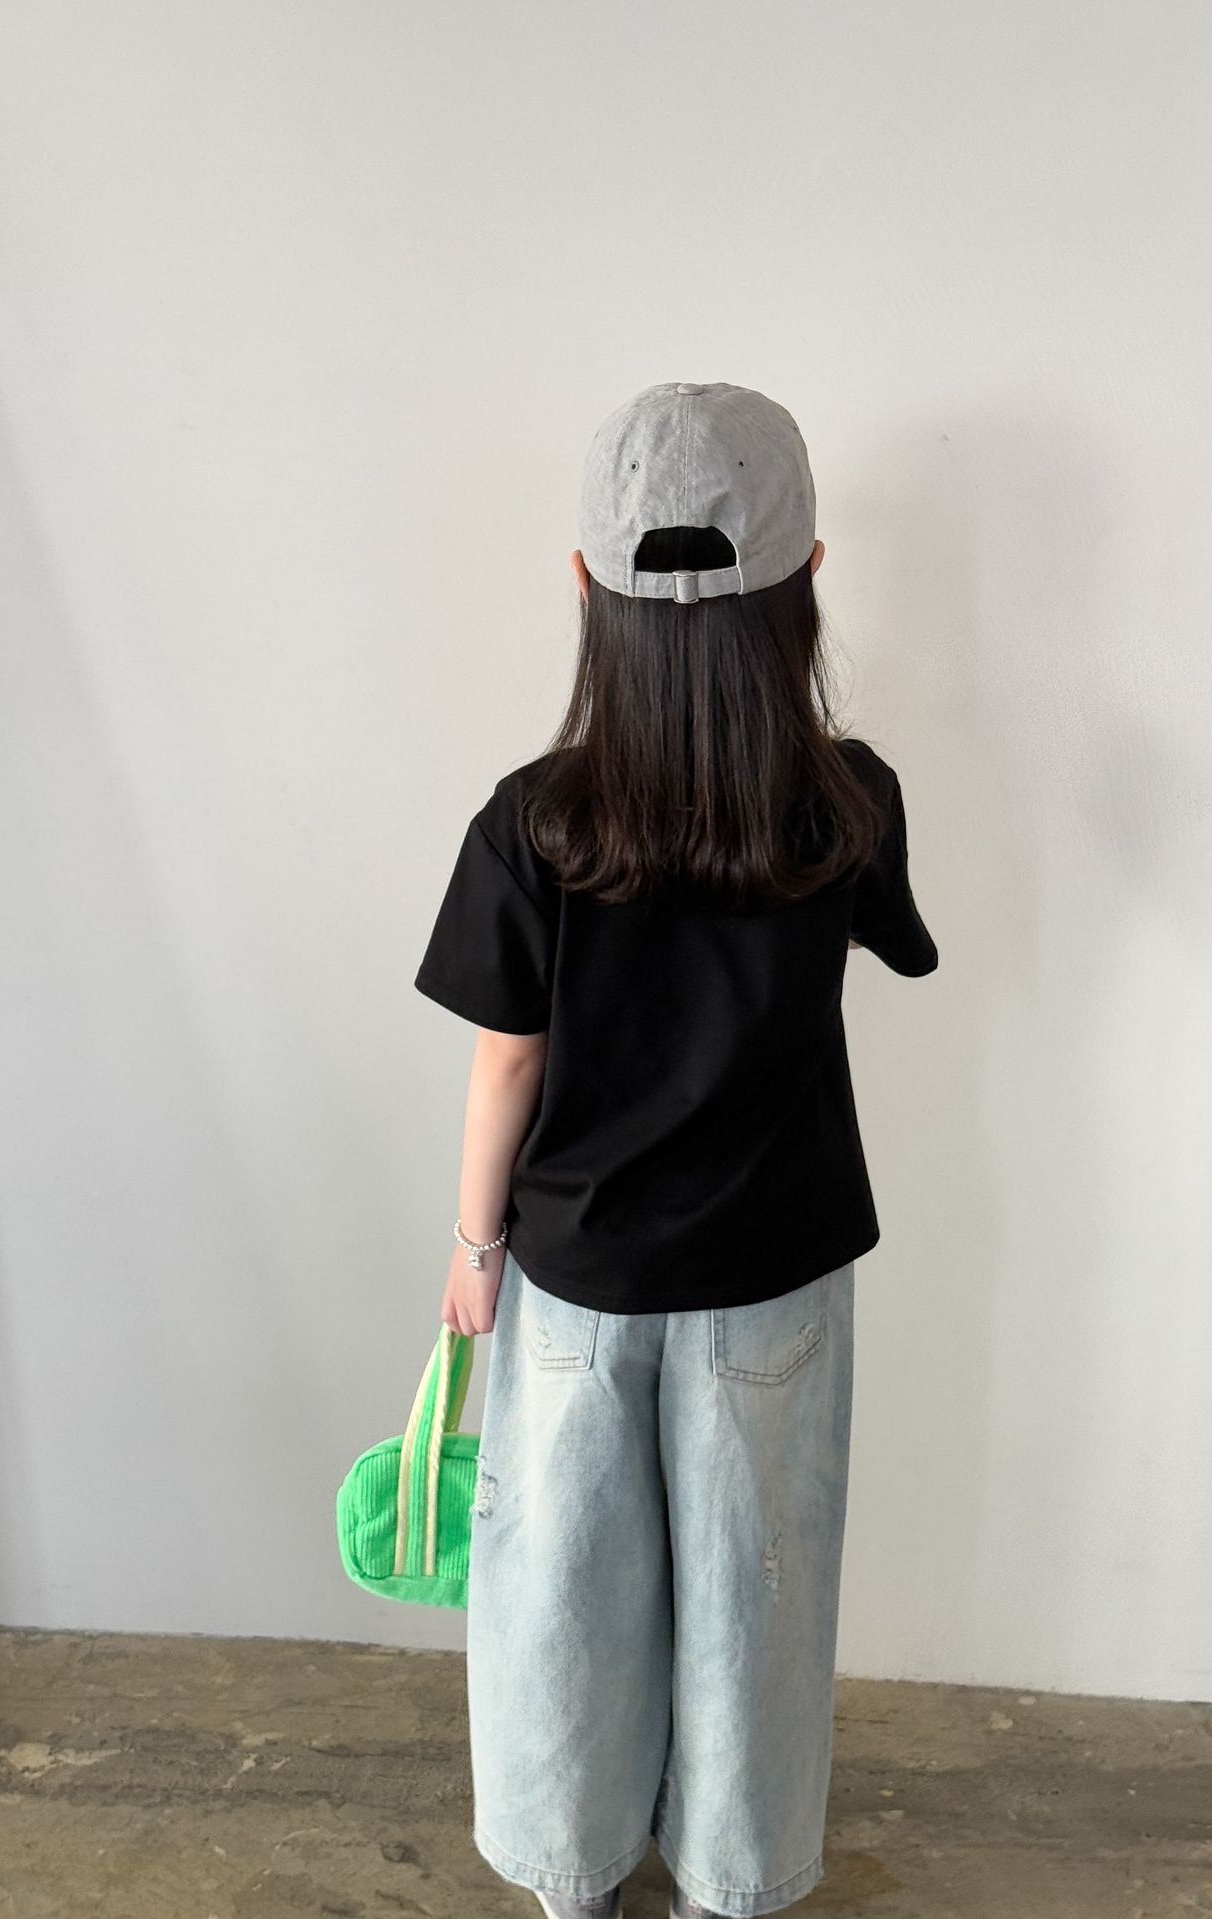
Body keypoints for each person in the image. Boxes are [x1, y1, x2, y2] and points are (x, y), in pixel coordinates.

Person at [412, 381, 938, 1919]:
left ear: (586, 583)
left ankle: (574, 1880)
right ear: (809, 575)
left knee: (562, 1599)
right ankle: (731, 1884)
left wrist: (474, 1249)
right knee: (756, 1599)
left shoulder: (534, 822)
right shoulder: (847, 800)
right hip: (777, 1276)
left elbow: (508, 1058)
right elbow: (893, 950)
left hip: (575, 1284)